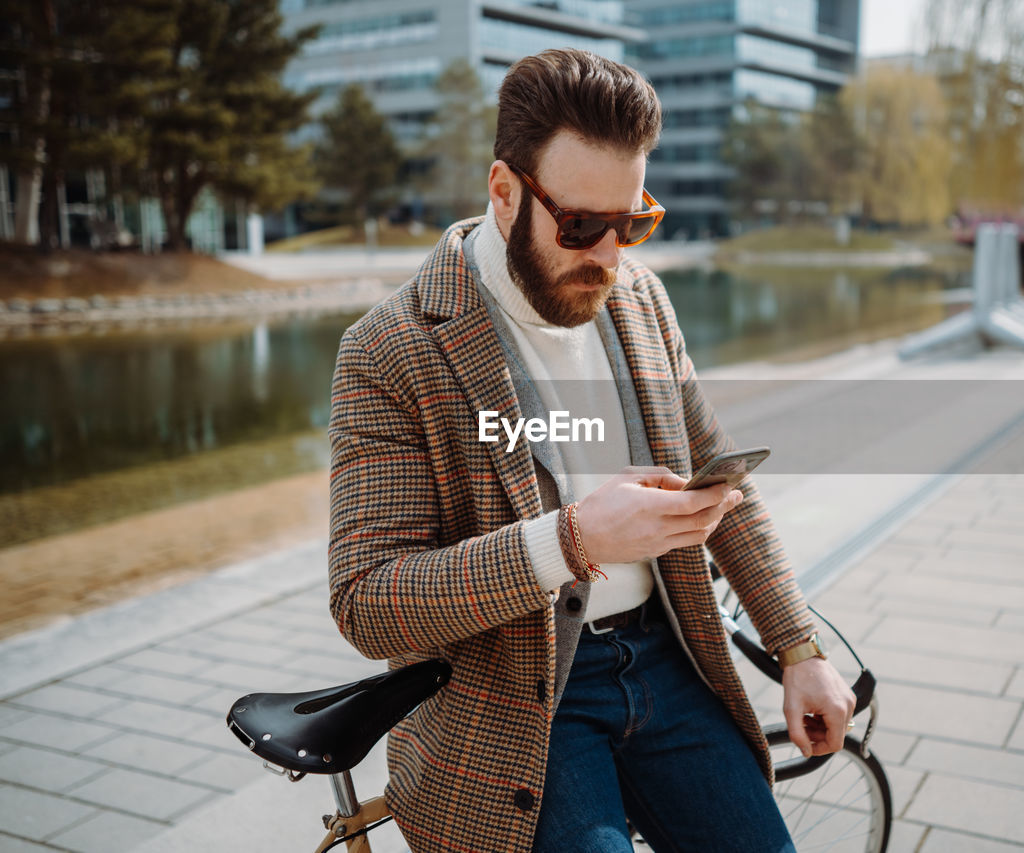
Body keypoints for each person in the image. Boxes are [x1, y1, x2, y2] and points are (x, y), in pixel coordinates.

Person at [327, 48, 855, 853]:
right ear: (505, 194)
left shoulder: (639, 295)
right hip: (508, 699)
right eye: (581, 225)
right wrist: (571, 541)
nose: (610, 255)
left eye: (632, 221)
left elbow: (722, 480)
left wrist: (798, 646)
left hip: (668, 658)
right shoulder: (390, 350)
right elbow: (367, 598)